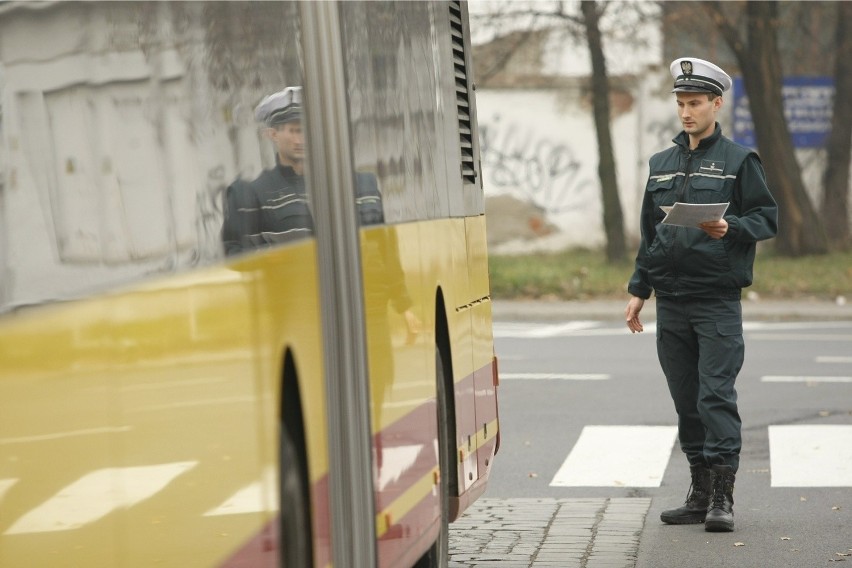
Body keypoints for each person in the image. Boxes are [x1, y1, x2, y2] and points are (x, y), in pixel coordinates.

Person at [624, 58, 778, 533]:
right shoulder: (661, 164)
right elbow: (651, 234)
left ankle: (724, 499)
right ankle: (699, 492)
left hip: (716, 301)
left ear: (717, 103)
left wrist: (731, 226)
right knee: (687, 399)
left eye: (695, 103)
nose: (686, 112)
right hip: (671, 300)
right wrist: (638, 289)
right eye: (681, 103)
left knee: (715, 396)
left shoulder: (738, 161)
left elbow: (767, 218)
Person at [221, 86, 384, 255]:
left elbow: (386, 249)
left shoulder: (365, 186)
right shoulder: (250, 195)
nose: (304, 138)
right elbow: (239, 261)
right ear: (272, 134)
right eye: (295, 130)